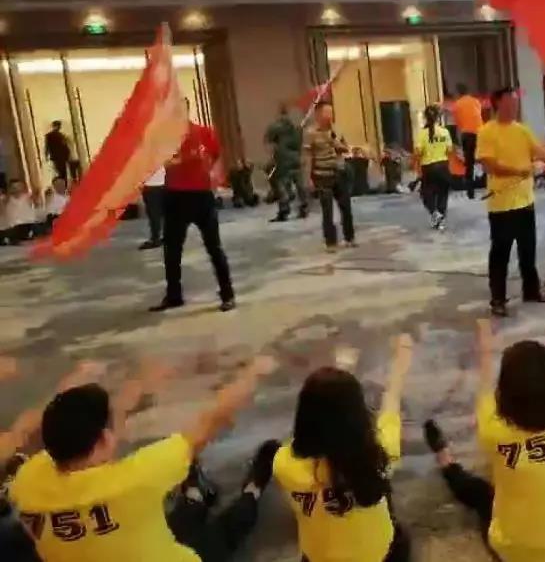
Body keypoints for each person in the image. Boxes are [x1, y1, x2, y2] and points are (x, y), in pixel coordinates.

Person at [7, 358, 278, 562]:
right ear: (104, 440)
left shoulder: (27, 480)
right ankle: (252, 489)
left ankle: (196, 496)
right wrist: (253, 373)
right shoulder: (136, 479)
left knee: (176, 519)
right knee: (227, 528)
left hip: (128, 544)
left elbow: (42, 429)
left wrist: (130, 389)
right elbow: (210, 423)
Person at [423, 310, 545, 561]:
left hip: (514, 551)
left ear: (504, 393)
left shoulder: (494, 430)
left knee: (480, 494)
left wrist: (485, 345)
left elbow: (484, 385)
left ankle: (445, 459)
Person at [273, 335, 414, 562]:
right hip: (376, 556)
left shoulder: (284, 463)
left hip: (319, 557)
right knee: (396, 525)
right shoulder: (379, 453)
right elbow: (391, 402)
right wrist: (401, 362)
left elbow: (321, 421)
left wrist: (342, 369)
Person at [476, 87, 545, 317]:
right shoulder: (487, 132)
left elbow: (541, 153)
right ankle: (498, 299)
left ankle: (531, 291)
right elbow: (489, 165)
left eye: (516, 102)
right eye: (510, 102)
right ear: (497, 104)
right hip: (501, 205)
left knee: (528, 251)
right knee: (500, 254)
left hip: (525, 201)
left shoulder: (522, 130)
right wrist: (518, 171)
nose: (515, 106)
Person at [151, 100, 236, 313]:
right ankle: (174, 295)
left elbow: (217, 156)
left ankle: (227, 294)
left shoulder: (204, 133)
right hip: (175, 196)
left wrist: (215, 175)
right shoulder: (165, 137)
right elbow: (160, 161)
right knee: (172, 250)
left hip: (201, 196)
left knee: (214, 247)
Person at [303, 101, 356, 252]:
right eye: (326, 113)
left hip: (338, 172)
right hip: (321, 175)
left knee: (346, 206)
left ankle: (349, 237)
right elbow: (307, 157)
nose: (330, 116)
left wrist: (339, 144)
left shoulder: (336, 130)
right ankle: (331, 242)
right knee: (328, 211)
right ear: (318, 115)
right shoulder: (310, 133)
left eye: (331, 113)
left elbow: (345, 147)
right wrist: (308, 178)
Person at [266, 102, 308, 222]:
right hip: (295, 159)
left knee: (281, 184)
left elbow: (269, 143)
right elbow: (299, 144)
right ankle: (303, 206)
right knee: (299, 184)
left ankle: (284, 209)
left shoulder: (275, 127)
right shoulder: (297, 128)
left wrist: (272, 157)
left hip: (282, 159)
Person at [415, 105, 453, 231]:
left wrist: (417, 169)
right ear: (438, 117)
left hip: (428, 168)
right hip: (443, 165)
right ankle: (440, 219)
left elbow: (418, 153)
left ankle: (434, 213)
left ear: (426, 117)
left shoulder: (422, 134)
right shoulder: (445, 132)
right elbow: (449, 150)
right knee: (443, 194)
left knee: (426, 194)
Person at [452, 84, 484, 199]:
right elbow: (478, 116)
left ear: (458, 93)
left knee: (469, 163)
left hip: (467, 134)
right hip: (480, 133)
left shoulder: (457, 104)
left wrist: (458, 141)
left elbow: (458, 124)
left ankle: (470, 191)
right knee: (484, 159)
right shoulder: (476, 101)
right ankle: (488, 183)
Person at [139, 166, 166, 251]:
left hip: (151, 187)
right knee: (161, 214)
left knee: (154, 215)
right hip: (162, 185)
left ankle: (155, 240)